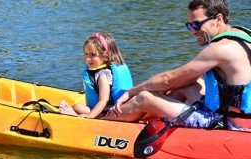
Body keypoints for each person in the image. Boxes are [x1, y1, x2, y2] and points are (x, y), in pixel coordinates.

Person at [104, 0, 251, 130]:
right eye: (190, 25)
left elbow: (169, 78)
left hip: (228, 124)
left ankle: (102, 123)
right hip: (238, 116)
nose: (193, 31)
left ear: (218, 18)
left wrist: (131, 92)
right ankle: (148, 116)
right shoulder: (244, 36)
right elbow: (181, 80)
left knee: (144, 97)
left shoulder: (219, 48)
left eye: (197, 24)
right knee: (187, 84)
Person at [59, 33, 133, 118]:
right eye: (86, 54)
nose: (87, 58)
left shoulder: (102, 75)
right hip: (112, 109)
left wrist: (89, 116)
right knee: (78, 107)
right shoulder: (105, 70)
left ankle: (76, 117)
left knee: (77, 108)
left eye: (92, 55)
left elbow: (104, 100)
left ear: (105, 56)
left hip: (111, 112)